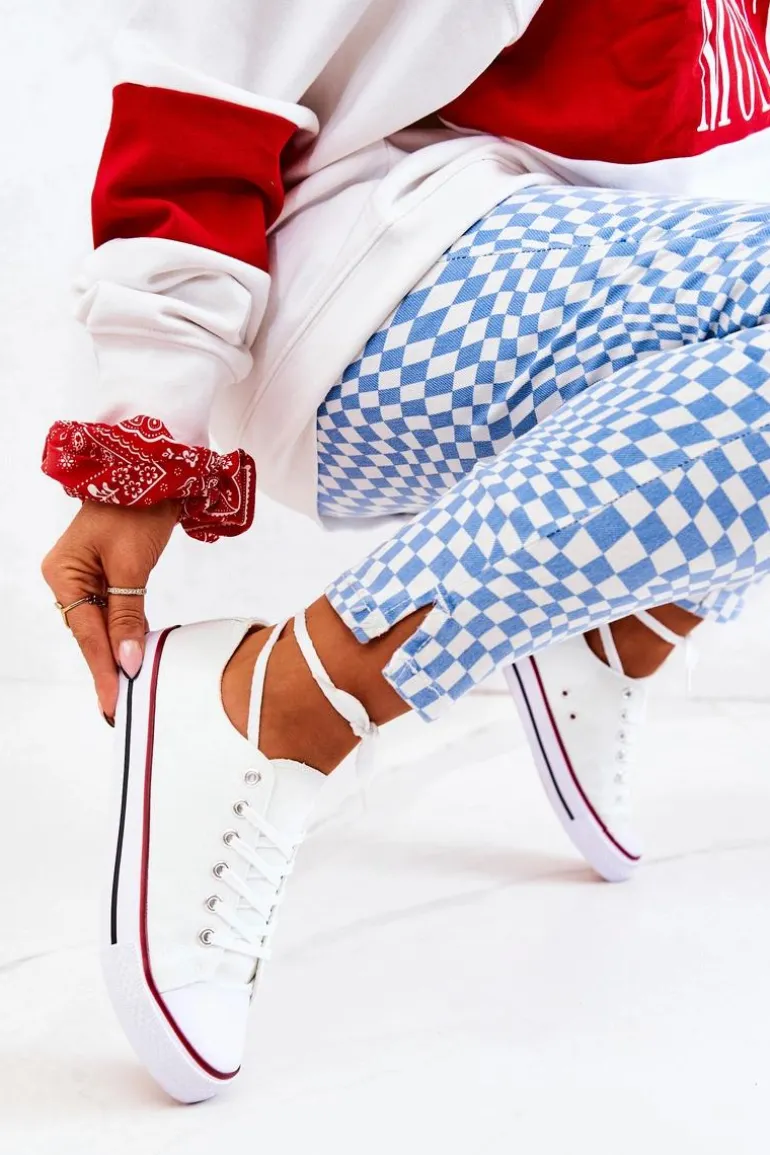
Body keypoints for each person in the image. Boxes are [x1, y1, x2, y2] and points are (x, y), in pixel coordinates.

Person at [41, 0, 770, 1102]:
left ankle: (613, 619)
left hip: (571, 275)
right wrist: (148, 426)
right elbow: (219, 59)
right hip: (372, 283)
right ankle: (275, 700)